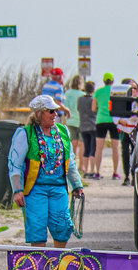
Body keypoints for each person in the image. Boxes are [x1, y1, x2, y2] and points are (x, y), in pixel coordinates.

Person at [9, 95, 85, 247]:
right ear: (39, 113)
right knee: (37, 230)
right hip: (35, 190)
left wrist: (77, 184)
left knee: (62, 226)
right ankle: (40, 267)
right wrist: (17, 190)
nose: (55, 114)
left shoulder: (63, 132)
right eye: (50, 111)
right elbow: (14, 165)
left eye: (56, 111)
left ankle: (58, 266)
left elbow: (69, 162)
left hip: (59, 189)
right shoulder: (26, 134)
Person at [115, 79, 138, 186]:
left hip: (136, 131)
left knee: (136, 153)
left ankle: (134, 176)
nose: (133, 91)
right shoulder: (121, 101)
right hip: (124, 130)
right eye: (130, 89)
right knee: (125, 153)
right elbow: (115, 116)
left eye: (135, 88)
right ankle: (126, 176)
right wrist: (120, 121)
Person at [93, 72, 121, 180]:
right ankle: (115, 172)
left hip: (101, 120)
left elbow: (93, 108)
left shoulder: (98, 92)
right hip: (114, 119)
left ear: (104, 81)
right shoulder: (115, 91)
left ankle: (97, 172)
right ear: (113, 81)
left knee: (99, 148)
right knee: (116, 147)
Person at [64, 74, 86, 164]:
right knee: (82, 144)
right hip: (81, 121)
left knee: (73, 143)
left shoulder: (67, 93)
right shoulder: (83, 94)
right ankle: (82, 166)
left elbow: (65, 106)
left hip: (70, 120)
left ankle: (72, 163)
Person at [77, 86, 99, 179]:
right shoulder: (93, 99)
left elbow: (78, 109)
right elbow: (95, 110)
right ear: (93, 90)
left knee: (86, 149)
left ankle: (85, 171)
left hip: (83, 125)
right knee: (93, 149)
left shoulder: (80, 99)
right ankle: (92, 171)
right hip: (93, 125)